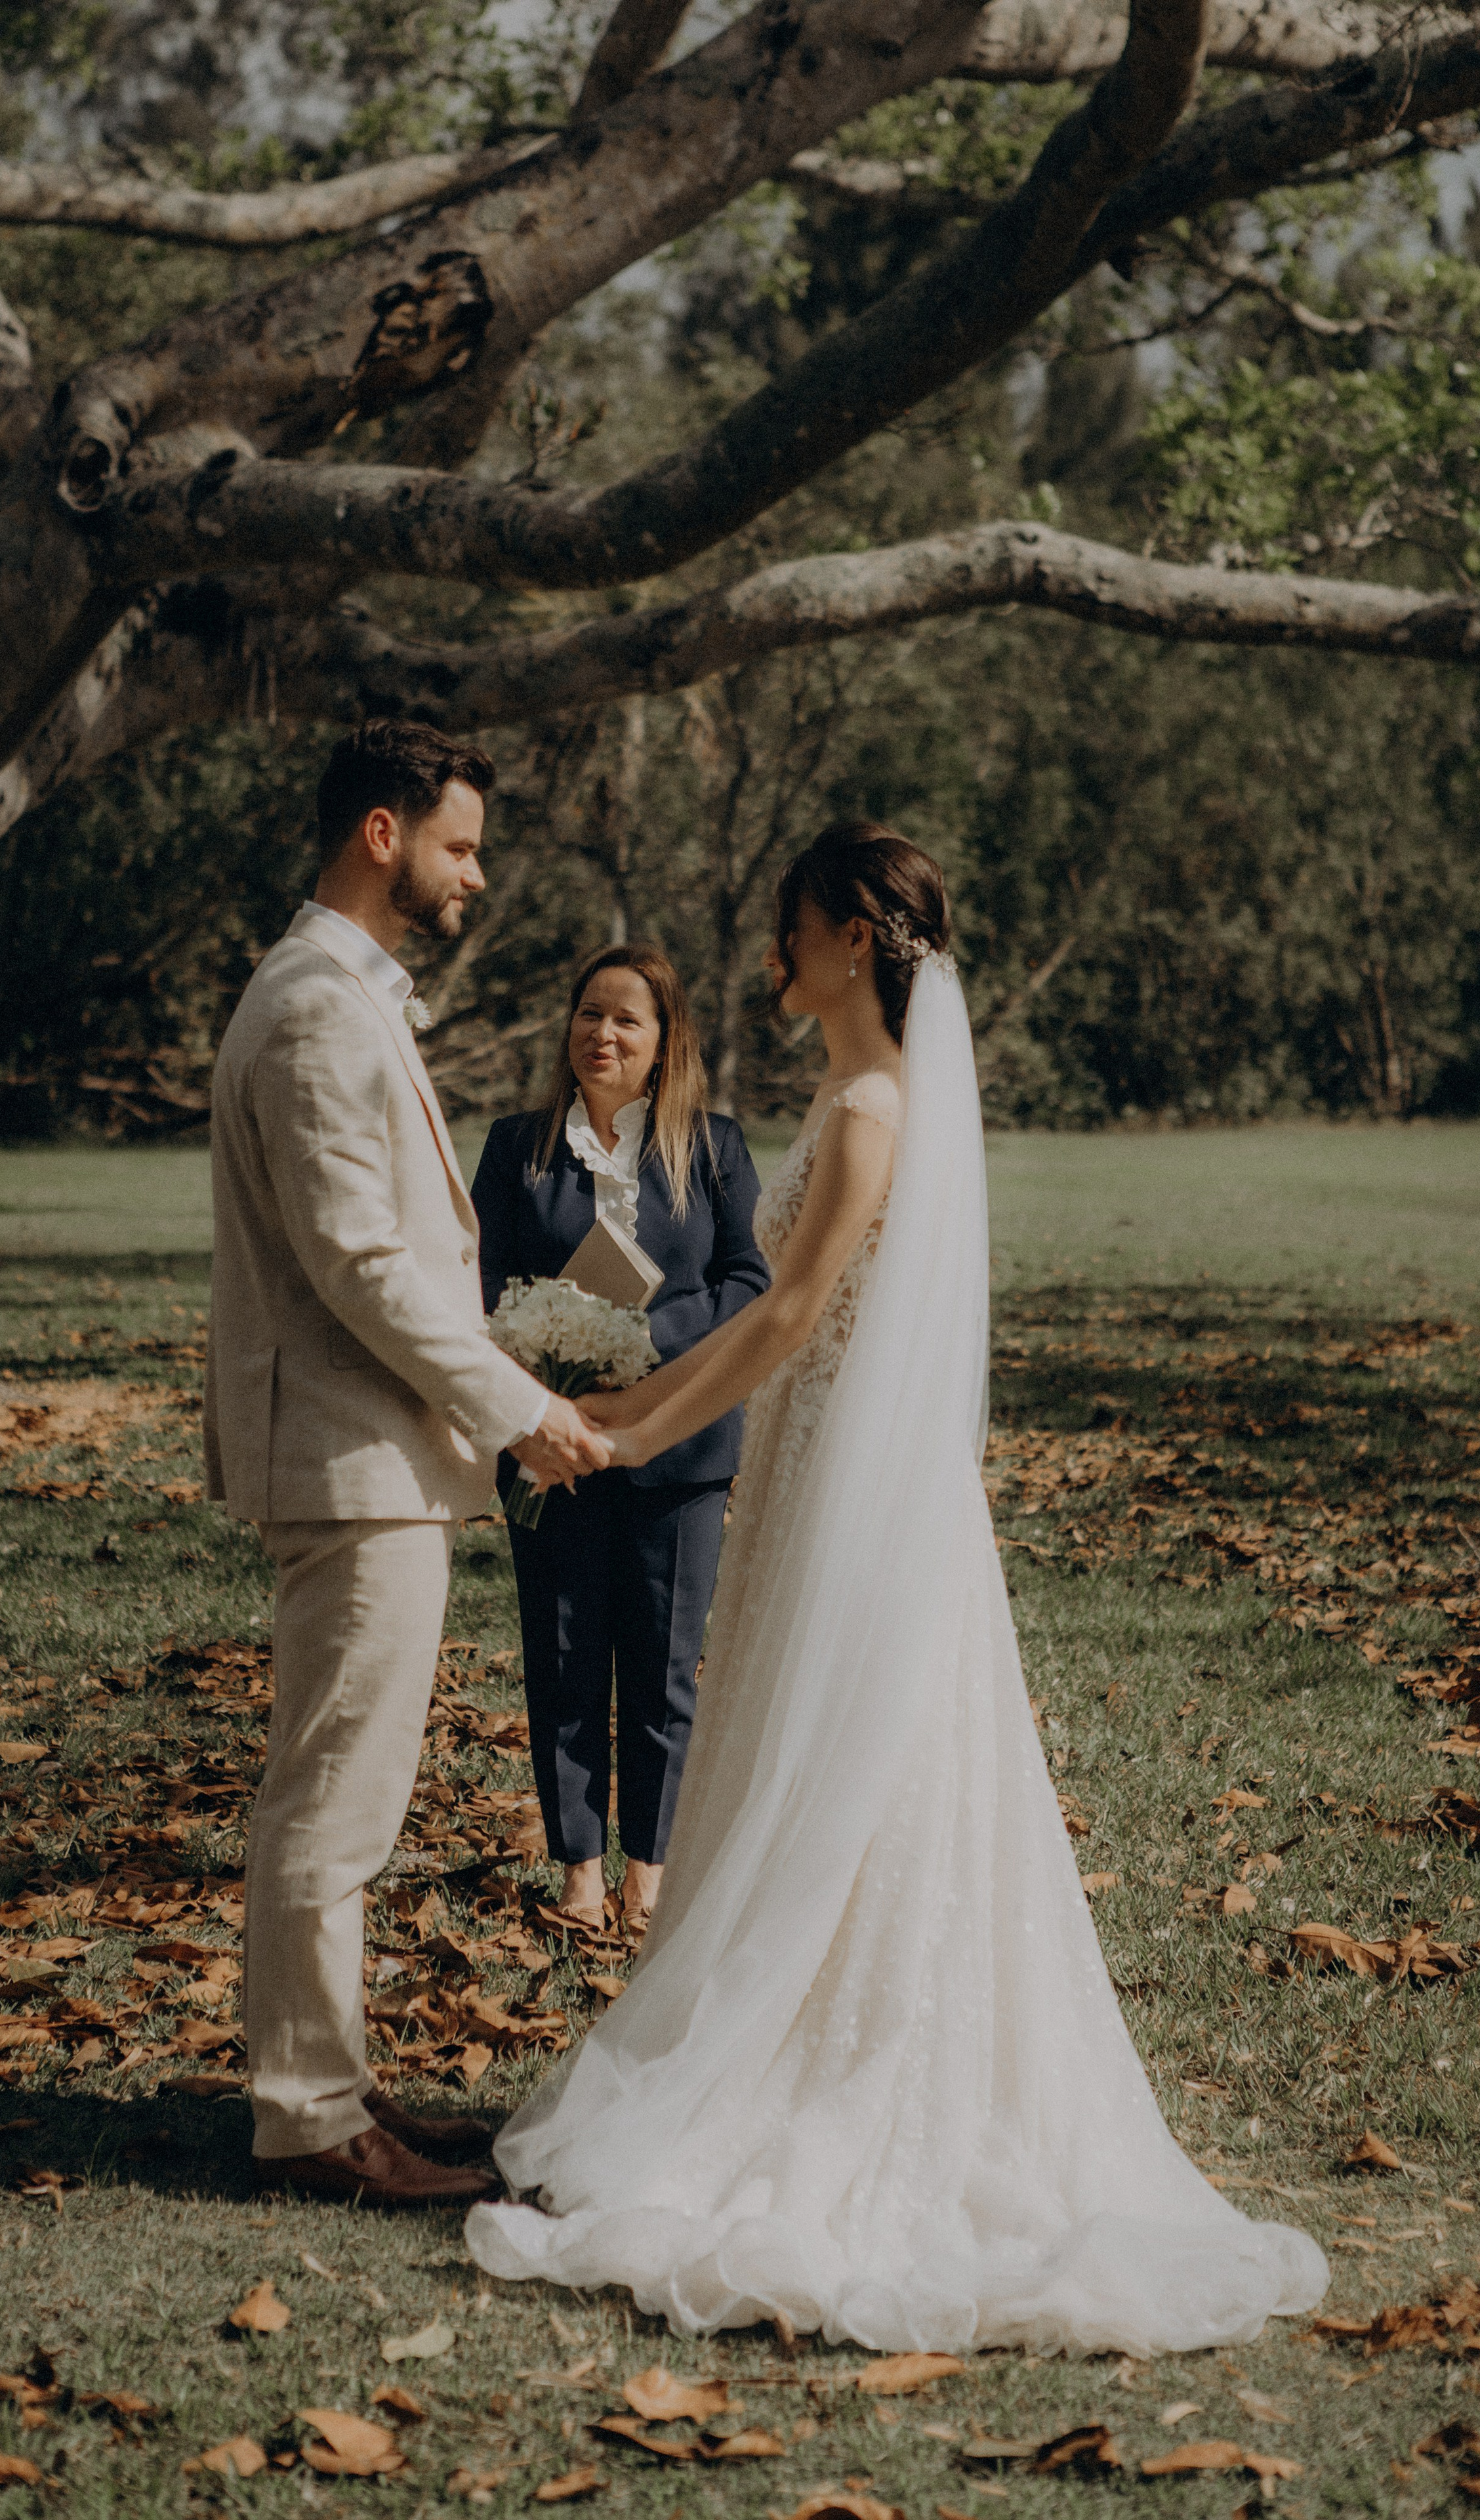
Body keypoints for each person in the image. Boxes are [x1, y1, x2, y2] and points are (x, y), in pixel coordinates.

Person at [466, 825, 1327, 2355]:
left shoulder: (869, 1108)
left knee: (861, 1759)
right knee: (825, 1757)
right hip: (831, 1477)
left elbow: (786, 1319)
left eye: (790, 929)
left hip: (846, 1489)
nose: (771, 956)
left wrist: (620, 1430)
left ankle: (838, 2069)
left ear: (853, 937)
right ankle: (814, 2026)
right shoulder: (860, 1095)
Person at [203, 717, 611, 2210]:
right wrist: (519, 1408)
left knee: (341, 1783)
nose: (474, 876)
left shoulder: (343, 993)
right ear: (382, 834)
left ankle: (319, 2083)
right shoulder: (313, 1003)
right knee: (335, 1790)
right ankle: (308, 2116)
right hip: (347, 1455)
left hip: (367, 1453)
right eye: (459, 845)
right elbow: (360, 1262)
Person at [472, 945, 769, 1929]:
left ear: (663, 1041)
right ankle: (580, 1871)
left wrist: (642, 1338)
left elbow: (747, 1282)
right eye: (589, 1013)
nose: (603, 1033)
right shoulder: (519, 1148)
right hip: (552, 1442)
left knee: (660, 1665)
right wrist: (536, 1383)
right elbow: (479, 1287)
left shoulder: (712, 1147)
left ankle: (650, 1869)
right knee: (561, 1658)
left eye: (627, 1021)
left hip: (678, 1447)